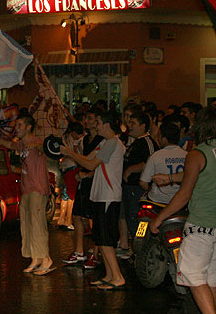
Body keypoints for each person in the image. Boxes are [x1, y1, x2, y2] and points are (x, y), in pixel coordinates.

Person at [149, 106, 216, 314]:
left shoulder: (197, 153)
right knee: (212, 279)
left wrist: (159, 218)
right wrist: (172, 178)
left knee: (194, 277)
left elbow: (185, 194)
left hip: (201, 225)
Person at [61, 111, 126, 290]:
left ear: (106, 124)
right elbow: (87, 159)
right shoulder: (106, 142)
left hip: (108, 196)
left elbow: (90, 164)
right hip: (101, 196)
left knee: (105, 239)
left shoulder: (113, 142)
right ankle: (110, 275)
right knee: (100, 236)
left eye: (97, 121)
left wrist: (69, 153)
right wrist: (69, 150)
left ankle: (117, 276)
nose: (95, 125)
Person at [0, 115, 54, 275]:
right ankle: (35, 258)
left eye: (21, 124)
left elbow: (49, 149)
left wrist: (46, 145)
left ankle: (46, 258)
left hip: (38, 188)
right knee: (27, 224)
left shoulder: (37, 143)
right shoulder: (22, 144)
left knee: (38, 224)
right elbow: (10, 144)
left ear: (29, 127)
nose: (17, 127)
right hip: (26, 188)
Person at [62, 108, 104, 267]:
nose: (87, 121)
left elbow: (97, 163)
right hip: (83, 180)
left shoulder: (102, 141)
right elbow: (82, 159)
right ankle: (79, 251)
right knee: (77, 214)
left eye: (91, 118)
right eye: (86, 118)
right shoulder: (85, 140)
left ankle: (96, 251)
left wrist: (87, 173)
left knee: (95, 218)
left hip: (96, 181)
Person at [118, 111, 158, 258]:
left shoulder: (147, 142)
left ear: (143, 126)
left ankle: (141, 250)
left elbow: (151, 161)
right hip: (129, 188)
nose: (130, 126)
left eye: (133, 123)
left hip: (138, 188)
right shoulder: (134, 142)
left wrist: (131, 169)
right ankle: (135, 248)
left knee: (137, 218)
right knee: (129, 216)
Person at [139, 122, 187, 205]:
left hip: (158, 201)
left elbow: (143, 182)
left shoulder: (156, 156)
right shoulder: (187, 155)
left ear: (164, 139)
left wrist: (150, 190)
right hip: (180, 201)